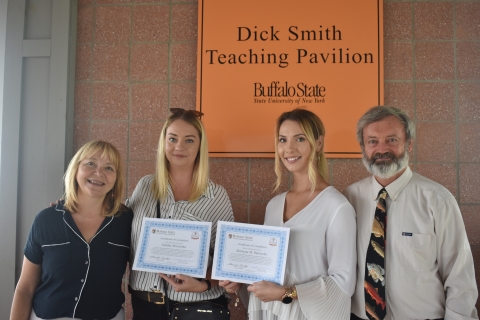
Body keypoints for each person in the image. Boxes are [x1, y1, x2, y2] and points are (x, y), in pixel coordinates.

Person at [221, 108, 357, 320]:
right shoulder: (274, 205)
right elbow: (269, 272)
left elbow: (343, 283)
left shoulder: (337, 207)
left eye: (299, 139)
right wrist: (240, 283)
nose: (289, 148)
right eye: (283, 140)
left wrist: (286, 293)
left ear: (319, 143)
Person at [344, 106, 478, 320]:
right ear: (363, 147)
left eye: (392, 140)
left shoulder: (437, 200)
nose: (382, 149)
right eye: (372, 141)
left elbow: (459, 278)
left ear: (409, 144)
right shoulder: (349, 199)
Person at [127, 108, 234, 320]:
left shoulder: (216, 196)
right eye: (172, 138)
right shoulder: (145, 186)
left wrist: (204, 283)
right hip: (145, 307)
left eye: (189, 140)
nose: (179, 147)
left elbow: (229, 261)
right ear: (163, 142)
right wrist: (73, 208)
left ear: (200, 146)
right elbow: (114, 221)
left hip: (195, 308)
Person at [10, 140, 133, 320]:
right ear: (76, 169)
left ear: (116, 179)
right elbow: (26, 287)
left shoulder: (126, 221)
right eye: (90, 163)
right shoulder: (47, 220)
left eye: (109, 168)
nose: (98, 173)